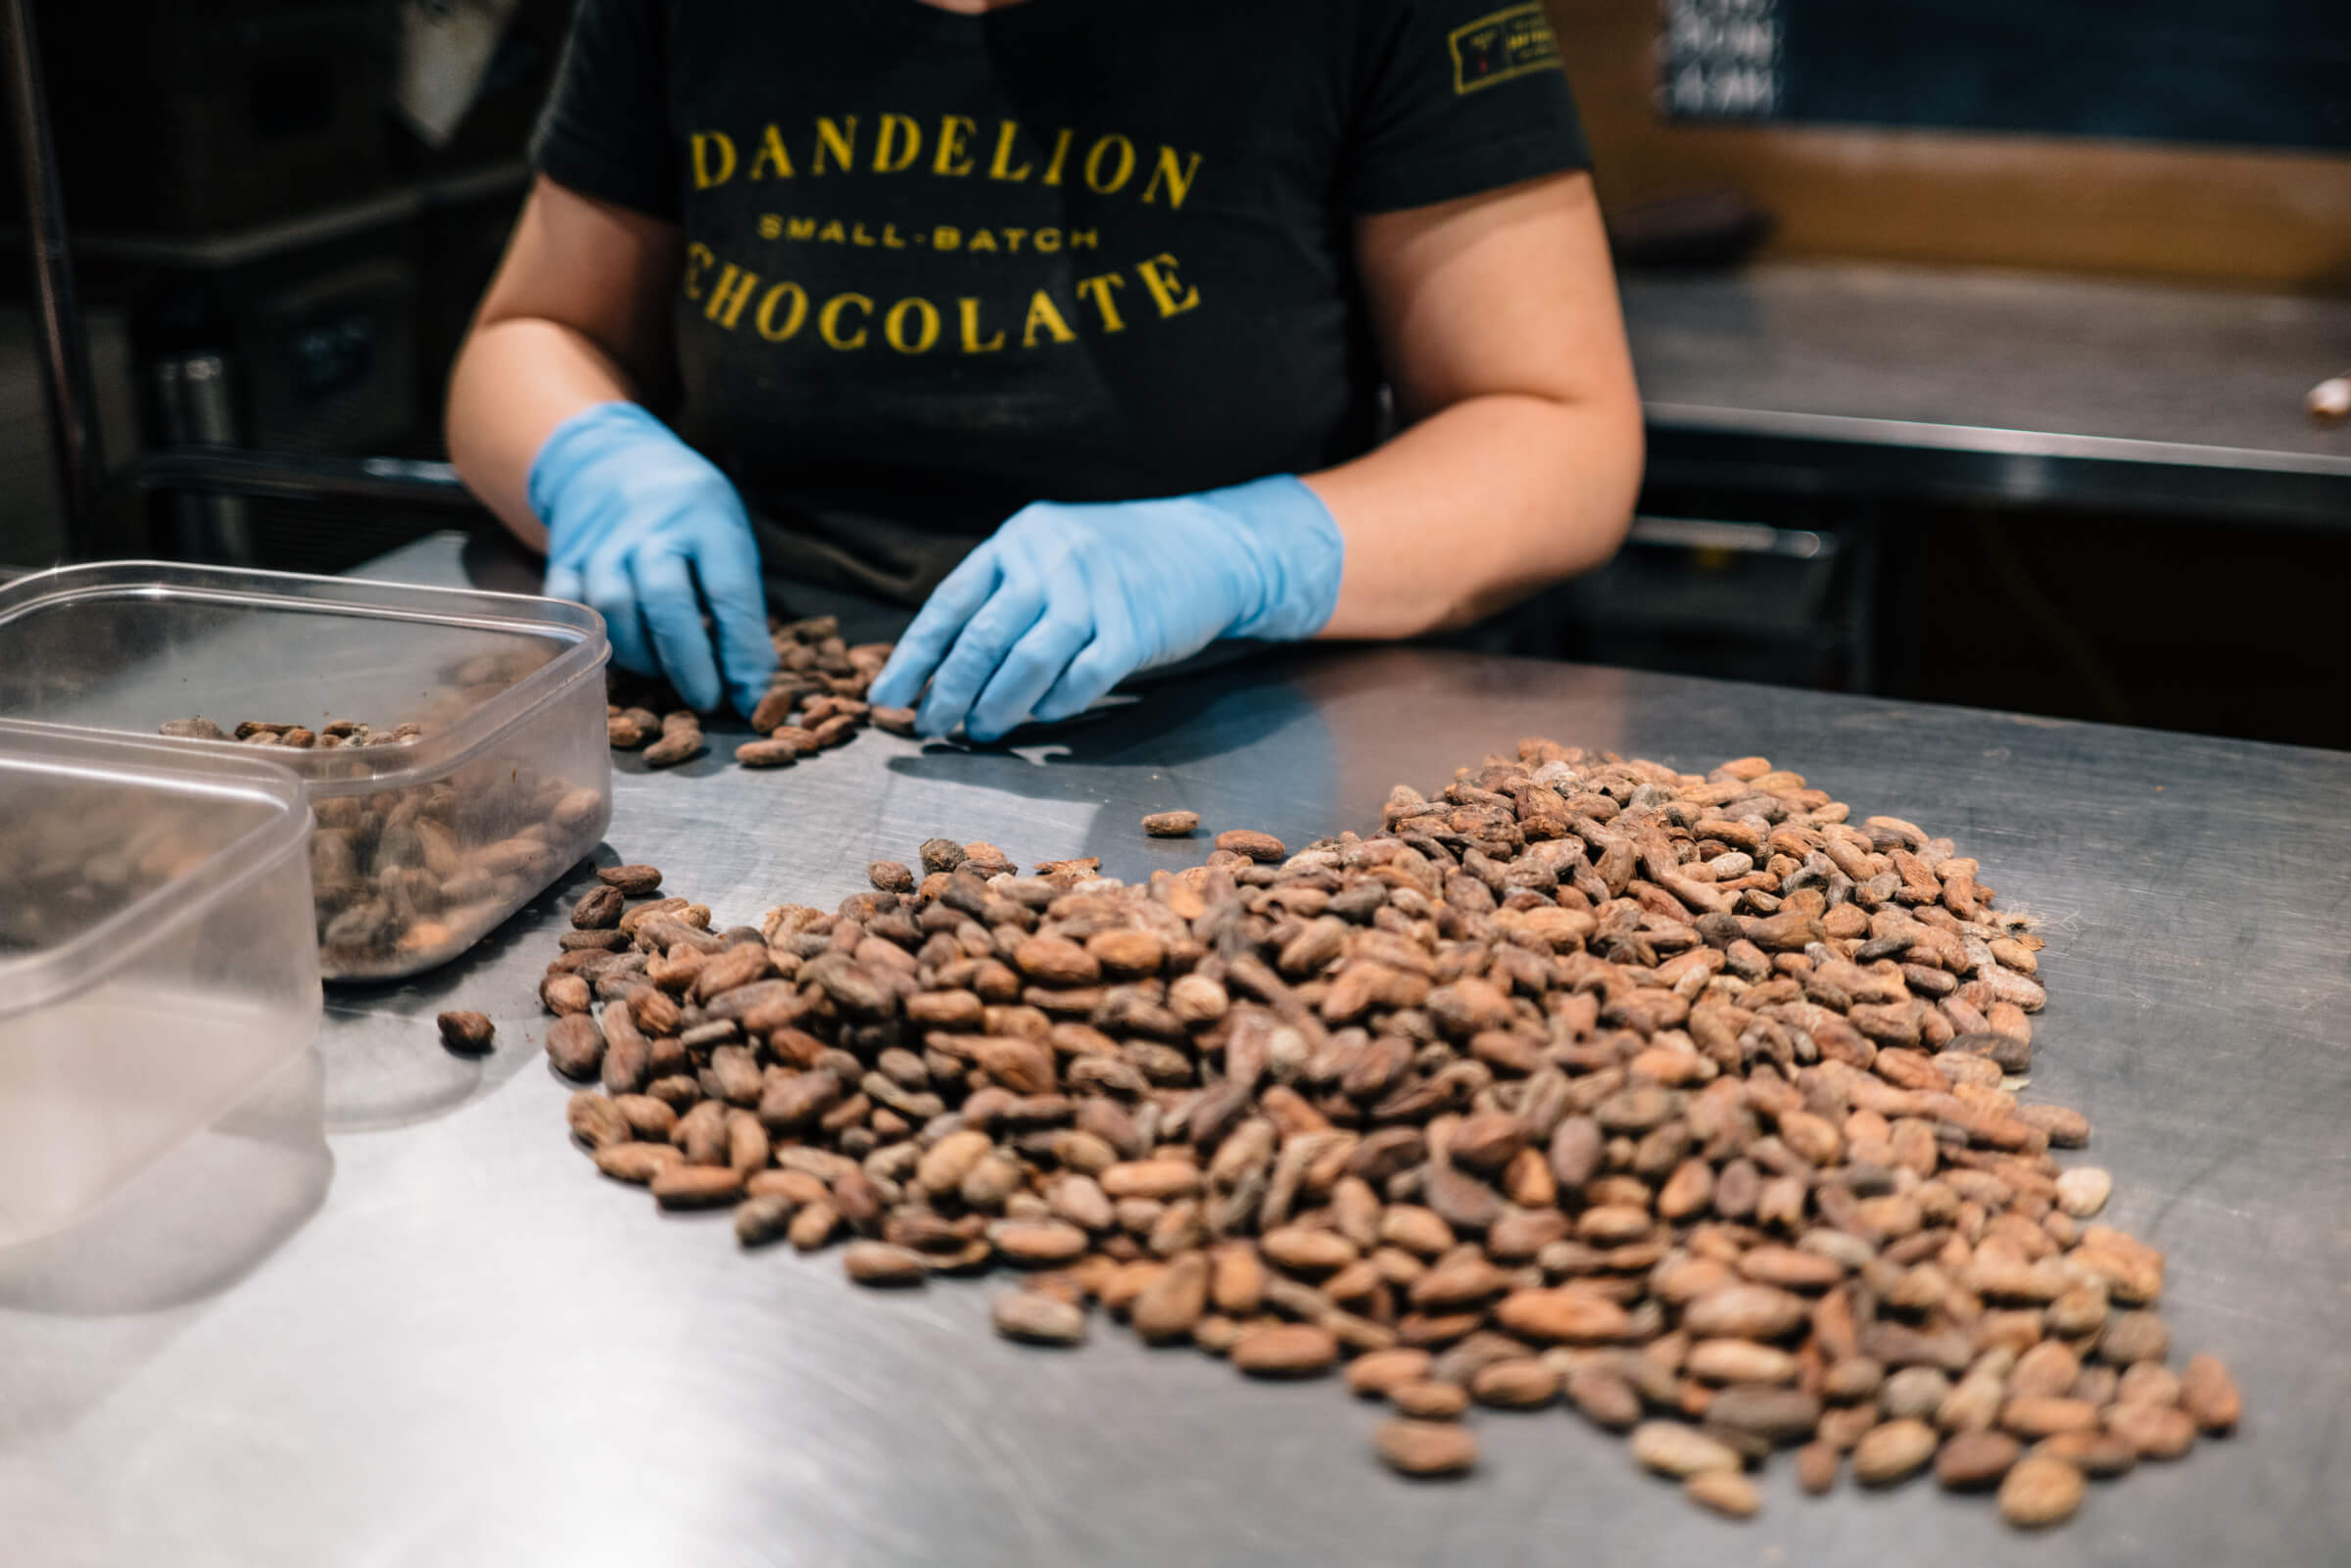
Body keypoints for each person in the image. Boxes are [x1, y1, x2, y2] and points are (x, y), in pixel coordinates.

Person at [446, 0, 1643, 741]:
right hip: (745, 680)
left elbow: (1557, 429)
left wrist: (1246, 551)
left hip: (1235, 715)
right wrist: (593, 458)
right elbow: (533, 333)